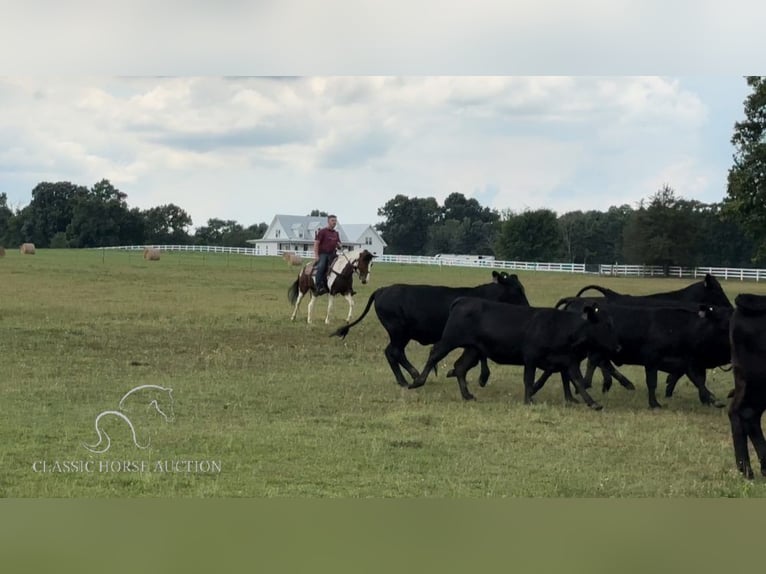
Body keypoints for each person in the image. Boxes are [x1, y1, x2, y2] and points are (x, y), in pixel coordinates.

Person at [313, 214, 342, 295]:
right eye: (332, 221)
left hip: (333, 254)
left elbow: (339, 245)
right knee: (321, 267)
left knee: (342, 266)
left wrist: (339, 246)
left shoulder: (336, 233)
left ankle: (340, 285)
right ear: (328, 221)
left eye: (335, 221)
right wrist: (316, 256)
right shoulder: (322, 232)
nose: (334, 222)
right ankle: (318, 287)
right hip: (323, 254)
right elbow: (316, 243)